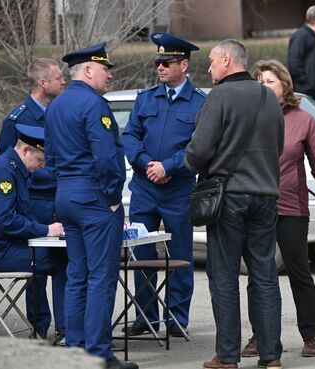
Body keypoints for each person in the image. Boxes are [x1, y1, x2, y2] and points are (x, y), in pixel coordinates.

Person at [185, 39, 284, 369]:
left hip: (228, 197)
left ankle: (227, 356)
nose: (209, 68)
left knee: (224, 277)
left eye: (212, 61)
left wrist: (192, 163)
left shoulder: (219, 97)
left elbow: (198, 152)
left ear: (227, 59)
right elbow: (278, 145)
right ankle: (271, 356)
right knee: (265, 275)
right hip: (266, 196)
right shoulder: (269, 97)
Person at [240, 59, 315, 359]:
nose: (263, 86)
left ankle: (310, 335)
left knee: (299, 272)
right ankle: (259, 336)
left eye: (269, 81)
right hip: (256, 208)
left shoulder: (303, 120)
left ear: (284, 85)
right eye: (259, 82)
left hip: (292, 208)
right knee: (259, 276)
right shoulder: (249, 117)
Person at [44, 43, 136, 369]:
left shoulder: (55, 106)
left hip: (67, 197)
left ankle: (76, 349)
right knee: (101, 277)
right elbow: (108, 157)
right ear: (87, 71)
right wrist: (112, 198)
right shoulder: (94, 104)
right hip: (95, 200)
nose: (109, 75)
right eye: (105, 69)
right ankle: (98, 354)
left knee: (77, 275)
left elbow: (51, 160)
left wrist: (63, 192)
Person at [122, 32, 205, 337]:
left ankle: (176, 319)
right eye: (158, 62)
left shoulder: (199, 103)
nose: (160, 67)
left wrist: (168, 166)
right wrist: (147, 164)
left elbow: (200, 147)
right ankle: (145, 317)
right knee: (141, 256)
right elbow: (129, 136)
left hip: (177, 189)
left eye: (166, 62)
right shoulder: (146, 98)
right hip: (145, 188)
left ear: (183, 65)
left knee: (179, 256)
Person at [0, 57, 66, 343]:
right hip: (33, 201)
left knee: (61, 258)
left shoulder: (59, 112)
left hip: (58, 202)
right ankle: (39, 324)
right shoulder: (17, 119)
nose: (63, 82)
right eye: (58, 78)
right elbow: (8, 169)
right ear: (42, 82)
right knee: (36, 268)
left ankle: (65, 327)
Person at [287, 5, 315, 104]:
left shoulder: (313, 36)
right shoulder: (301, 36)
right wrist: (306, 81)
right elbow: (293, 63)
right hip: (306, 93)